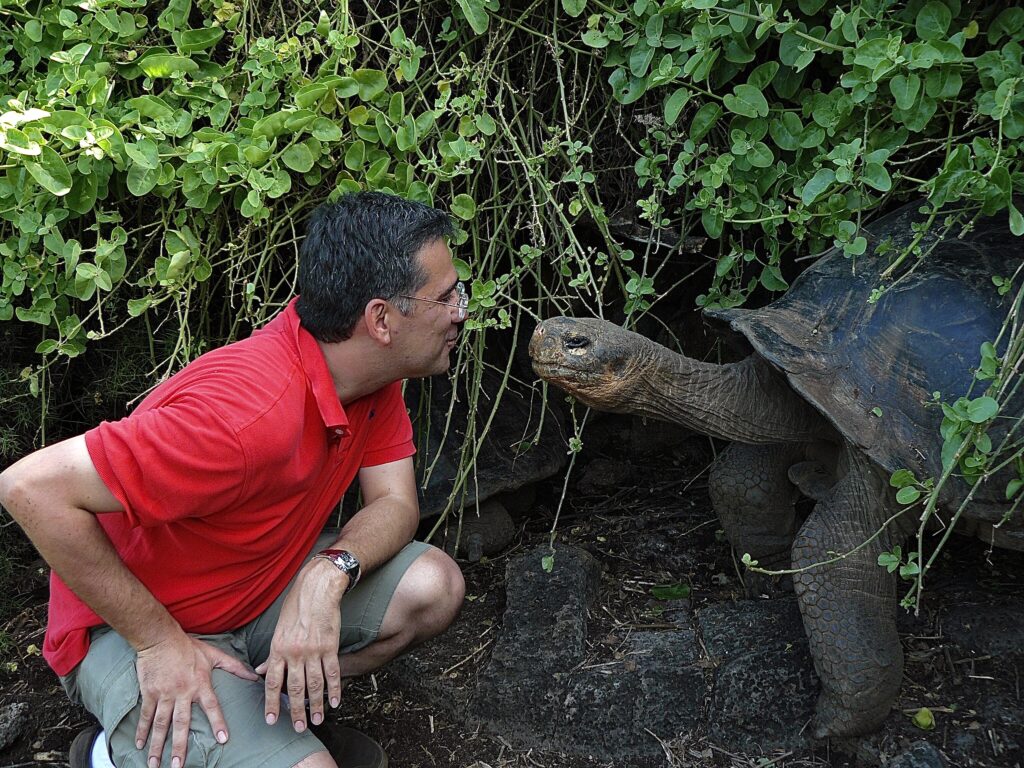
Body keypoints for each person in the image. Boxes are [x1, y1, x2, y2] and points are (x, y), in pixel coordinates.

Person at [0, 192, 469, 768]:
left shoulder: (370, 371)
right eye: (445, 297)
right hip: (128, 627)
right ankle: (118, 750)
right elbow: (30, 487)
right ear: (380, 320)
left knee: (432, 587)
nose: (460, 311)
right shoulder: (243, 417)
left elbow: (395, 502)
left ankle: (261, 716)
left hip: (255, 589)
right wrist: (157, 642)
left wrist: (326, 576)